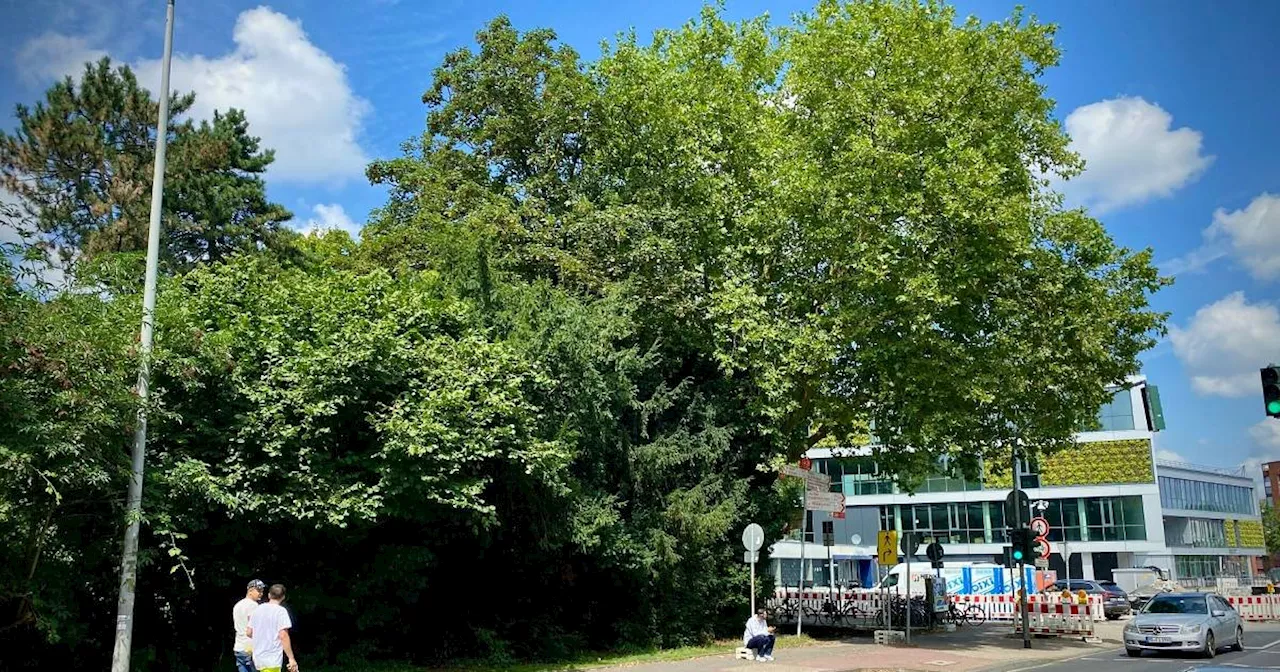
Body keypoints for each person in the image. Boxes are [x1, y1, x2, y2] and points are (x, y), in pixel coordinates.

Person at [248, 584, 299, 672]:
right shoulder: (280, 611)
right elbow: (283, 635)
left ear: (269, 595)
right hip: (272, 658)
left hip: (257, 658)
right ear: (283, 597)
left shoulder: (257, 610)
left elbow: (249, 632)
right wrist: (291, 658)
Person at [233, 580, 265, 672]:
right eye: (258, 591)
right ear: (250, 590)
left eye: (262, 591)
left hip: (239, 647)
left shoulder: (238, 605)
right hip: (250, 648)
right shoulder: (253, 606)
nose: (261, 593)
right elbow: (253, 628)